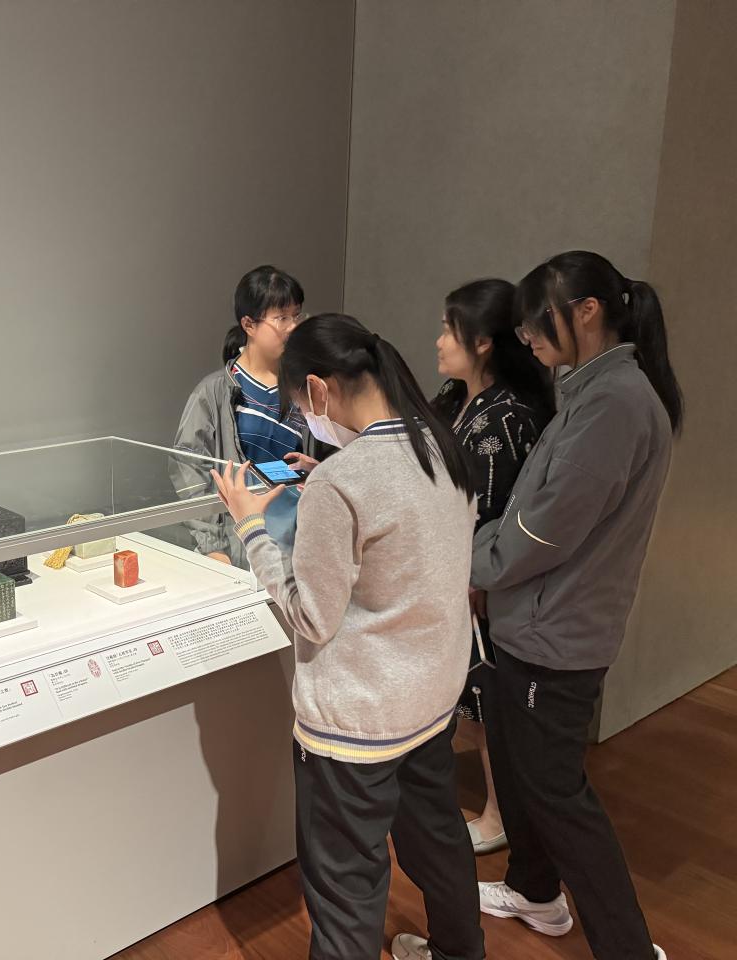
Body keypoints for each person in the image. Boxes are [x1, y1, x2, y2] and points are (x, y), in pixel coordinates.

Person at [212, 314, 484, 960]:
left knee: (345, 887)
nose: (307, 418)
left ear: (318, 388)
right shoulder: (440, 445)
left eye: (301, 404)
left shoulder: (343, 481)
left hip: (355, 722)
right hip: (431, 699)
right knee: (438, 841)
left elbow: (311, 616)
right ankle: (459, 951)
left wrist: (251, 528)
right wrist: (327, 476)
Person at [470, 251, 683, 960]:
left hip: (554, 632)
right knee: (524, 774)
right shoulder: (593, 391)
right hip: (533, 622)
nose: (526, 337)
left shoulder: (616, 403)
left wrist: (470, 559)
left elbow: (544, 528)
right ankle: (535, 892)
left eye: (536, 321)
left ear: (587, 312)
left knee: (557, 793)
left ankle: (629, 948)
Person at [430, 279, 555, 855]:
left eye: (447, 330)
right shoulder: (455, 398)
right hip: (453, 570)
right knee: (471, 699)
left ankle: (501, 814)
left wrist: (477, 577)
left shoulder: (507, 418)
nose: (438, 341)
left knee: (488, 700)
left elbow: (497, 512)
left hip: (482, 580)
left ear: (482, 342)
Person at [172, 266, 315, 566]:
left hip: (296, 547)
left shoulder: (307, 388)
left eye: (296, 315)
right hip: (238, 547)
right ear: (249, 324)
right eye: (282, 318)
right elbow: (188, 467)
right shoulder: (215, 391)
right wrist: (211, 544)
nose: (293, 327)